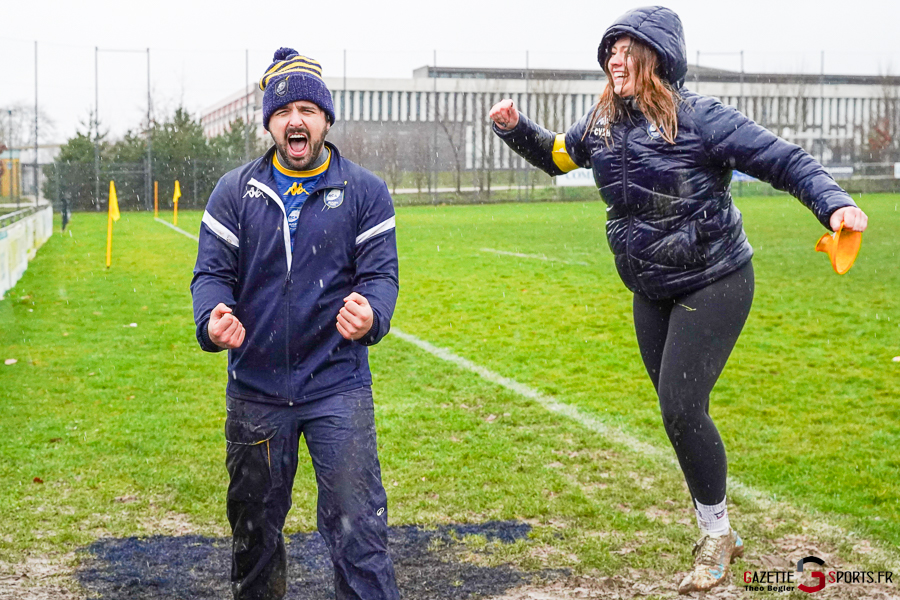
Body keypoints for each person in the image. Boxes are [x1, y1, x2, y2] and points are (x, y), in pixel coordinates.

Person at [490, 6, 867, 595]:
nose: (614, 59)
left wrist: (834, 203)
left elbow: (783, 160)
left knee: (681, 406)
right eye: (608, 50)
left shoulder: (701, 119)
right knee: (678, 414)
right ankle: (721, 525)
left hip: (715, 278)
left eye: (626, 50)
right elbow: (560, 155)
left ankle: (716, 536)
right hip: (651, 287)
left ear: (656, 58)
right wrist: (517, 129)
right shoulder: (603, 123)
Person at [191, 48, 400, 600]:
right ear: (270, 123)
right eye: (284, 112)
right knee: (254, 539)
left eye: (308, 109)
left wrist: (371, 313)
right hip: (256, 390)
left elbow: (380, 277)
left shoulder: (365, 192)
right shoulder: (234, 193)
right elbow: (210, 276)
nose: (296, 121)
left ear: (326, 120)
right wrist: (211, 321)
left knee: (360, 533)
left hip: (337, 386)